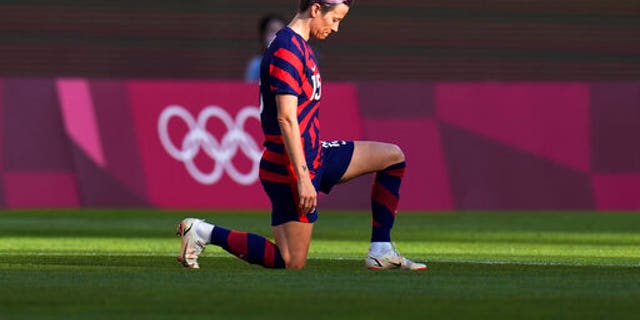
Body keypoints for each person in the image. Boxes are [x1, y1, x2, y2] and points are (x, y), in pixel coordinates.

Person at [177, 0, 427, 271]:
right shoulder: (288, 50)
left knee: (392, 157)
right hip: (290, 166)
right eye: (335, 19)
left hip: (314, 154)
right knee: (290, 261)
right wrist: (303, 178)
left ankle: (381, 251)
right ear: (316, 9)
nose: (336, 28)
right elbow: (286, 117)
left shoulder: (301, 47)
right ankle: (203, 232)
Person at [244, 14, 286, 82]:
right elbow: (249, 89)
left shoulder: (293, 63)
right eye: (272, 31)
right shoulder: (256, 64)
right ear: (263, 36)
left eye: (281, 32)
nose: (277, 36)